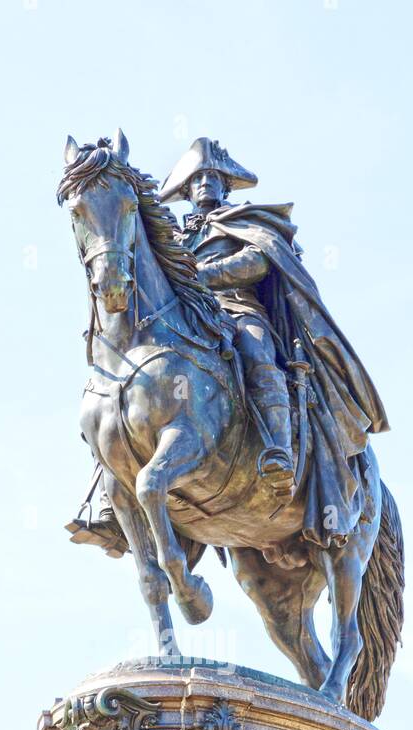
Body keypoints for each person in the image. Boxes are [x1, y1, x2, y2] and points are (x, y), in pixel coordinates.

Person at [159, 136, 389, 545]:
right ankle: (108, 491)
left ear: (226, 183)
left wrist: (202, 275)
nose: (206, 184)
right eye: (198, 178)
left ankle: (278, 451)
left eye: (214, 176)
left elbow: (258, 261)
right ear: (187, 189)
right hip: (188, 322)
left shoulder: (248, 220)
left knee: (259, 356)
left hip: (238, 311)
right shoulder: (174, 237)